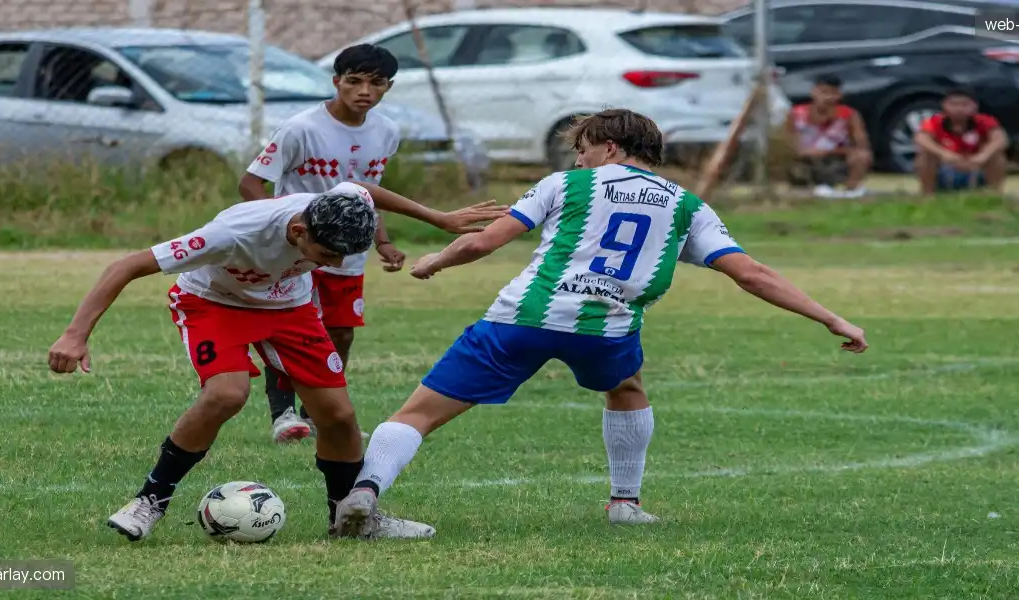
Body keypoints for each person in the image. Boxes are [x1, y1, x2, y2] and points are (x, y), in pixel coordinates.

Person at [329, 109, 870, 538]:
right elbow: (750, 274)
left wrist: (435, 261)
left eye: (583, 149)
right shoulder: (686, 205)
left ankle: (366, 492)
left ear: (608, 147)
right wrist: (830, 316)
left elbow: (487, 239)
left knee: (419, 412)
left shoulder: (565, 185)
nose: (580, 159)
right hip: (606, 330)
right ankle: (625, 504)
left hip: (524, 318)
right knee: (627, 387)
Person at [46, 181, 508, 542]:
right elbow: (125, 265)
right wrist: (75, 334)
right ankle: (150, 501)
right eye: (327, 255)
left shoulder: (338, 205)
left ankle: (347, 519)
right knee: (227, 394)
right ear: (297, 231)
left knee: (339, 416)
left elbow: (364, 189)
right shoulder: (232, 233)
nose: (334, 263)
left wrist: (439, 218)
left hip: (290, 308)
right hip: (215, 304)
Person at [239, 44, 407, 443]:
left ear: (388, 87)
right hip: (300, 255)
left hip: (348, 256)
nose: (364, 90)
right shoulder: (302, 128)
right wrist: (281, 229)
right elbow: (250, 184)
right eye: (354, 81)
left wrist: (382, 241)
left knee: (342, 333)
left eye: (375, 82)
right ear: (337, 82)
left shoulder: (386, 132)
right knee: (292, 332)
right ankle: (283, 415)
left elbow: (371, 194)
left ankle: (317, 414)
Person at [785, 74, 872, 198]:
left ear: (839, 95)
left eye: (832, 93)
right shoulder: (796, 114)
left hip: (836, 160)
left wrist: (830, 151)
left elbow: (861, 146)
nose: (826, 97)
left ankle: (851, 190)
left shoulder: (849, 115)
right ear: (813, 92)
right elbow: (790, 143)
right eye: (823, 92)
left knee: (862, 156)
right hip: (806, 162)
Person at [914, 88, 1008, 195]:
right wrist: (944, 154)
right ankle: (927, 194)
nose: (959, 109)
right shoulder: (934, 121)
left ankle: (994, 193)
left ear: (975, 106)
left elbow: (1000, 139)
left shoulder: (985, 121)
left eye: (965, 105)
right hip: (945, 170)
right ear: (944, 105)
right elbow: (921, 139)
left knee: (997, 156)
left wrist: (983, 156)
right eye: (954, 104)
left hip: (976, 170)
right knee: (925, 155)